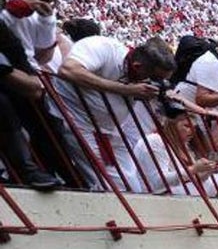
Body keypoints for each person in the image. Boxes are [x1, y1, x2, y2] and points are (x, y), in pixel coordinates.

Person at [53, 35, 175, 193]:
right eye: (155, 78)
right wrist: (124, 89)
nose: (156, 83)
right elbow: (68, 69)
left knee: (133, 188)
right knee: (106, 185)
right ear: (137, 67)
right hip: (78, 120)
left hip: (110, 132)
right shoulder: (103, 47)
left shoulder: (138, 73)